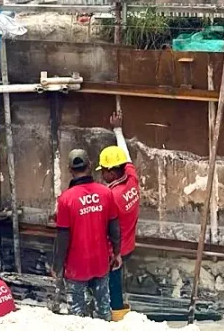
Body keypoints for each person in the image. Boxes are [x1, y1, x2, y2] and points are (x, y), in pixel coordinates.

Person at [54, 149, 121, 320]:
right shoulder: (106, 193)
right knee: (103, 310)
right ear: (90, 166)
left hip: (76, 266)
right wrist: (117, 252)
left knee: (77, 317)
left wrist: (58, 266)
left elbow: (62, 237)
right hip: (100, 262)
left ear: (70, 169)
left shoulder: (65, 199)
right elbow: (114, 228)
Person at [100, 113, 140, 322]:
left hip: (113, 252)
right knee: (116, 284)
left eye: (103, 171)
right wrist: (118, 131)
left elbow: (106, 228)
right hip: (128, 246)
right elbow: (127, 157)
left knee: (112, 287)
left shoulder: (111, 196)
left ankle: (116, 317)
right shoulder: (131, 179)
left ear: (111, 173)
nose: (101, 175)